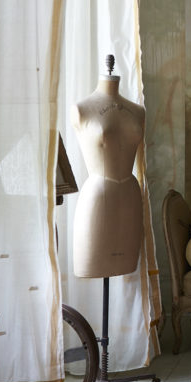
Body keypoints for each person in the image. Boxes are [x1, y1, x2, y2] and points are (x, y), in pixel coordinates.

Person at [71, 57, 145, 278]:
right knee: (95, 266)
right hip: (97, 198)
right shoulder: (81, 109)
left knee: (126, 265)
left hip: (130, 196)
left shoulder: (138, 111)